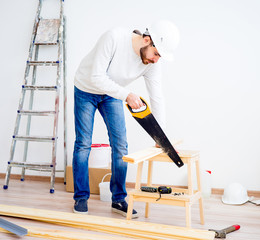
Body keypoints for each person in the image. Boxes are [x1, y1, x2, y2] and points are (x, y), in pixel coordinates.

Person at [72, 20, 180, 217]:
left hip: (113, 93)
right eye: (156, 54)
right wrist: (127, 95)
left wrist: (161, 138)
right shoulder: (114, 38)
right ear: (147, 40)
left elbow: (157, 97)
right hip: (86, 89)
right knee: (83, 144)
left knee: (120, 145)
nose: (157, 60)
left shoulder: (152, 63)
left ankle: (119, 199)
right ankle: (80, 197)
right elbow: (96, 77)